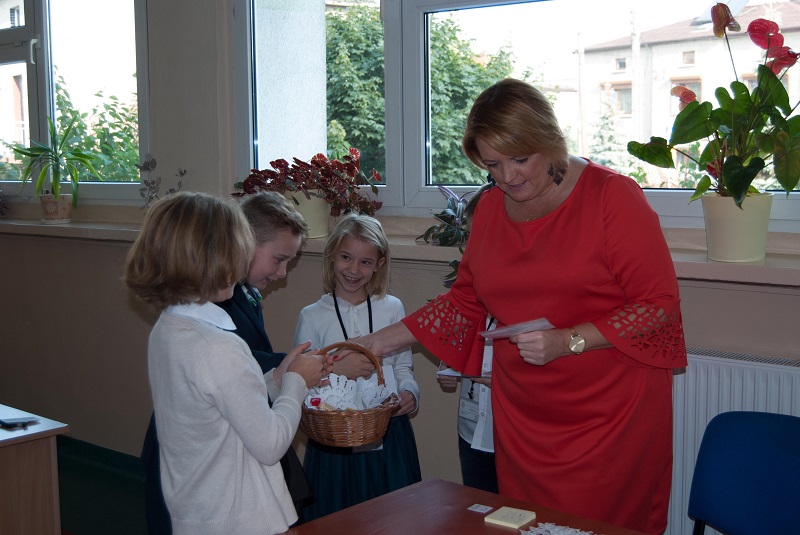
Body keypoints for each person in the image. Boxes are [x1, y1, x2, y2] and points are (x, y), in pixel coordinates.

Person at [347, 78, 687, 535]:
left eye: (520, 158)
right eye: (493, 164)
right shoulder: (490, 208)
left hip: (612, 413)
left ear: (549, 140)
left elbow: (657, 304)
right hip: (525, 414)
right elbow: (465, 300)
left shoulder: (611, 196)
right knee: (527, 524)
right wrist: (373, 344)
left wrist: (567, 341)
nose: (508, 177)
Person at [125, 192, 332, 535]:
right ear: (214, 258)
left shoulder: (169, 327)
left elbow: (221, 405)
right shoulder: (218, 346)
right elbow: (270, 445)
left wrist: (277, 379)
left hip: (197, 510)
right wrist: (296, 382)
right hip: (236, 519)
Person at [293, 214, 421, 521]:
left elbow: (403, 367)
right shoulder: (312, 315)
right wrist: (336, 369)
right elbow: (301, 382)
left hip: (388, 432)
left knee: (393, 519)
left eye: (365, 262)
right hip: (334, 441)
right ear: (331, 256)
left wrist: (410, 392)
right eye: (346, 258)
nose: (353, 270)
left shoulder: (392, 308)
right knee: (337, 520)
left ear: (379, 264)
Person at [436, 184, 498, 493]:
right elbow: (455, 349)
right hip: (471, 428)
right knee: (477, 503)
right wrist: (448, 368)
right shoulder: (466, 296)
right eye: (470, 237)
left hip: (509, 433)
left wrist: (505, 380)